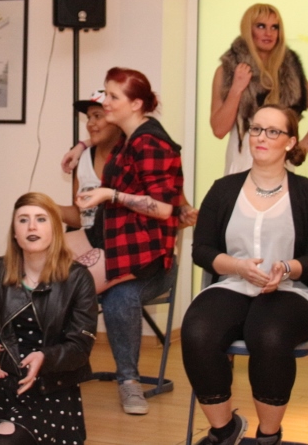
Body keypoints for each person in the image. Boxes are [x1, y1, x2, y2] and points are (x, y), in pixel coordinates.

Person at [182, 104, 308, 445]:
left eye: (273, 131)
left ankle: (268, 436)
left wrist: (286, 268)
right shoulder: (223, 189)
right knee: (197, 330)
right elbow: (201, 251)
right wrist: (238, 267)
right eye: (256, 129)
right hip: (232, 284)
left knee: (268, 334)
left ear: (290, 142)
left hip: (290, 290)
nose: (261, 137)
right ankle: (224, 431)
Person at [74, 67, 182, 415]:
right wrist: (80, 146)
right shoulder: (128, 138)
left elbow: (163, 208)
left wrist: (110, 194)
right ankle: (64, 365)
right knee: (58, 277)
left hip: (148, 259)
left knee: (109, 293)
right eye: (105, 94)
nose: (104, 102)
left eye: (112, 96)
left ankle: (129, 381)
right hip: (117, 249)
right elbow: (99, 139)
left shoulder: (150, 143)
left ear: (136, 104)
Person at [0, 193, 97, 445]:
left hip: (50, 386)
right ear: (14, 232)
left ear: (55, 230)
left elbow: (80, 347)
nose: (32, 226)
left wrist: (45, 357)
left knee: (2, 441)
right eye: (23, 220)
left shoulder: (78, 279)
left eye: (41, 219)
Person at [209, 3, 308, 175]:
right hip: (242, 161)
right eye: (261, 26)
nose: (268, 33)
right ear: (248, 30)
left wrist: (304, 146)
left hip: (281, 164)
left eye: (274, 27)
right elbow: (219, 130)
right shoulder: (227, 70)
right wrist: (237, 88)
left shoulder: (290, 72)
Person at [57, 89, 123, 291]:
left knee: (68, 284)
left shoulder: (133, 157)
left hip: (116, 246)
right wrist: (47, 209)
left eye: (97, 116)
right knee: (36, 261)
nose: (90, 123)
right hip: (86, 238)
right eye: (89, 117)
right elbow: (80, 216)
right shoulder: (82, 157)